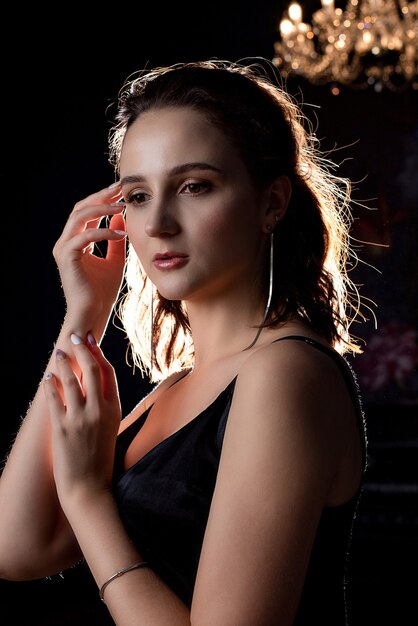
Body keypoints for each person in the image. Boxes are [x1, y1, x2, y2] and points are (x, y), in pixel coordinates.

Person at [0, 59, 367, 625]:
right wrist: (84, 314)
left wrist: (87, 498)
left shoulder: (285, 373)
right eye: (138, 196)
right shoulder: (175, 388)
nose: (159, 224)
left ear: (271, 202)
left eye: (195, 186)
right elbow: (15, 546)